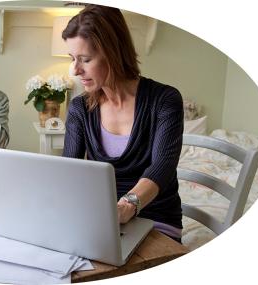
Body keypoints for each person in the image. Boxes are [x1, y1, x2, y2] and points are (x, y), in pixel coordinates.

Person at [62, 5, 184, 242]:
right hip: (102, 222)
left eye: (85, 59)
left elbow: (162, 167)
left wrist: (128, 205)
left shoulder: (165, 100)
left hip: (156, 221)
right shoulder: (80, 108)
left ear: (113, 52)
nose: (75, 70)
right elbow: (70, 172)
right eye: (72, 59)